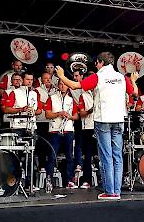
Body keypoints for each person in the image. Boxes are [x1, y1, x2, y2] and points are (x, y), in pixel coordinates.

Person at [56, 51, 138, 200]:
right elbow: (135, 94)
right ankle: (116, 192)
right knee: (117, 156)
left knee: (106, 156)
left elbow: (75, 85)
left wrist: (61, 76)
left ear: (100, 63)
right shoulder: (122, 77)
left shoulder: (98, 76)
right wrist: (133, 80)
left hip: (103, 119)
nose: (96, 65)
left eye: (97, 63)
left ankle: (110, 191)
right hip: (119, 119)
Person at [44, 80, 79, 190]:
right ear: (58, 86)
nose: (63, 86)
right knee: (51, 156)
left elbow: (76, 116)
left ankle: (68, 180)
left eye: (65, 84)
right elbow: (47, 115)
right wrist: (59, 113)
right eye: (61, 84)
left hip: (68, 130)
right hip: (55, 130)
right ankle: (49, 179)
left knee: (69, 156)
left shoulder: (71, 100)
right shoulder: (52, 98)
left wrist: (69, 116)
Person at [76, 72, 96, 189]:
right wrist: (91, 110)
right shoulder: (83, 95)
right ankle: (87, 180)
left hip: (102, 126)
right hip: (88, 127)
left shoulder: (101, 93)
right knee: (88, 156)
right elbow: (81, 113)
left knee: (104, 155)